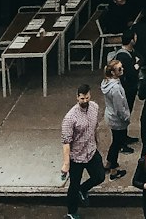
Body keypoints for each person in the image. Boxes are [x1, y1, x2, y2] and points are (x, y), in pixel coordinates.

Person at [61, 83, 106, 219]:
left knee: (100, 176)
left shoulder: (94, 107)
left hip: (91, 151)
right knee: (73, 186)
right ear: (77, 97)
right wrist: (66, 163)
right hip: (77, 156)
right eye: (82, 99)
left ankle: (84, 189)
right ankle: (71, 212)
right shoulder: (70, 118)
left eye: (87, 98)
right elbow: (66, 142)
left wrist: (98, 144)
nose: (85, 101)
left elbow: (95, 128)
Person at [100, 59, 130, 181]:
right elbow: (119, 108)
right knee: (117, 143)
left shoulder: (106, 83)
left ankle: (109, 163)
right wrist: (126, 118)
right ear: (112, 72)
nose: (122, 70)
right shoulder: (115, 88)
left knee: (115, 141)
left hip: (110, 115)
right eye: (119, 69)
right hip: (118, 119)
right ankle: (113, 169)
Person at [113, 30, 140, 140]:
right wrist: (136, 65)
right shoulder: (124, 56)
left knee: (127, 112)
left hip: (130, 88)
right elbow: (132, 73)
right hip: (126, 89)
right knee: (124, 114)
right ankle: (122, 140)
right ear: (131, 40)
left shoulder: (131, 51)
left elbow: (141, 58)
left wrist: (137, 64)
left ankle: (124, 136)